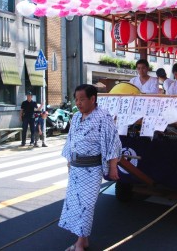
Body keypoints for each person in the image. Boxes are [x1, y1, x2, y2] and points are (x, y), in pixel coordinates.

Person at [59, 84, 122, 251]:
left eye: (82, 99)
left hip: (92, 169)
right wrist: (69, 162)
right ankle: (83, 240)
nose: (78, 103)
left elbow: (113, 142)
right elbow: (70, 141)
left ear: (93, 99)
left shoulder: (103, 117)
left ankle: (80, 244)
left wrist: (113, 166)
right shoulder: (75, 117)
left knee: (86, 206)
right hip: (76, 167)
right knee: (75, 204)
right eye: (76, 100)